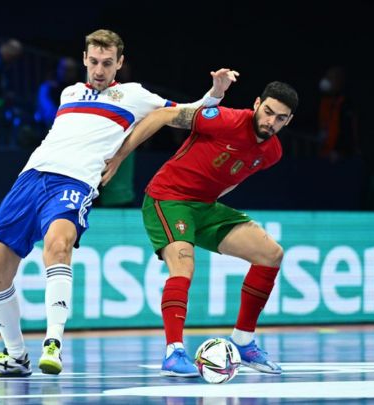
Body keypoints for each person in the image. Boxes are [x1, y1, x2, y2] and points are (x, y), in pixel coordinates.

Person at [0, 28, 231, 378]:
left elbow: (188, 114)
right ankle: (16, 356)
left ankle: (53, 343)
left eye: (107, 63)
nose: (98, 70)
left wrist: (216, 92)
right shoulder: (69, 93)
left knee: (58, 245)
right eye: (93, 61)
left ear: (119, 63)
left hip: (74, 182)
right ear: (84, 59)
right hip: (29, 178)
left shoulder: (134, 95)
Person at [102, 78, 299, 377]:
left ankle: (243, 342)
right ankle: (173, 353)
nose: (271, 122)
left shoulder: (272, 153)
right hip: (168, 197)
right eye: (268, 112)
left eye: (280, 118)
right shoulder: (227, 120)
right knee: (183, 266)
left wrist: (211, 202)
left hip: (205, 206)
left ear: (289, 121)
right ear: (257, 104)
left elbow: (233, 177)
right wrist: (118, 158)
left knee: (271, 254)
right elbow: (162, 115)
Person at [317, 65, 359, 161]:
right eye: (327, 77)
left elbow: (348, 130)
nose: (327, 81)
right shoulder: (324, 102)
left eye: (331, 78)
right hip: (324, 154)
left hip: (341, 157)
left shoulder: (346, 103)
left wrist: (340, 150)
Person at [35, 56, 80, 130]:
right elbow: (48, 111)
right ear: (58, 69)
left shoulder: (79, 89)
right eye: (64, 69)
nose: (66, 73)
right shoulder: (47, 87)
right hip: (50, 125)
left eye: (70, 70)